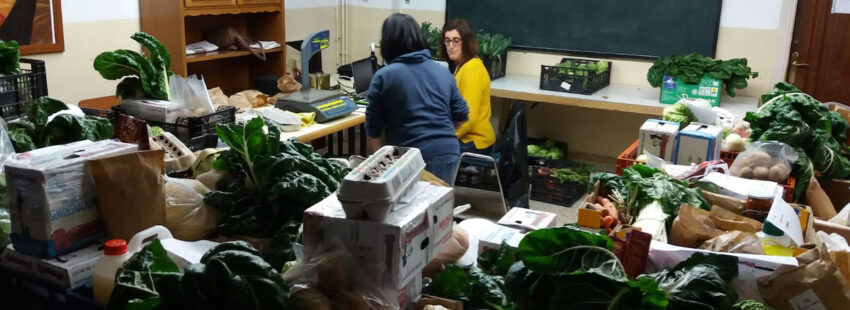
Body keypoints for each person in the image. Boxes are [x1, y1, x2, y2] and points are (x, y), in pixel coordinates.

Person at [365, 13, 469, 185]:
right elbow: (461, 115)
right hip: (448, 152)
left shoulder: (384, 76)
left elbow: (373, 127)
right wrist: (439, 133)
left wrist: (381, 163)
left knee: (408, 209)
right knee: (437, 207)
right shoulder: (442, 71)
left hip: (410, 157)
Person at [440, 19, 496, 155]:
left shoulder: (471, 70)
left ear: (466, 42)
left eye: (456, 41)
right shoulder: (463, 65)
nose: (451, 46)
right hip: (466, 137)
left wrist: (443, 137)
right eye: (447, 41)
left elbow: (467, 118)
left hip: (475, 141)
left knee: (430, 149)